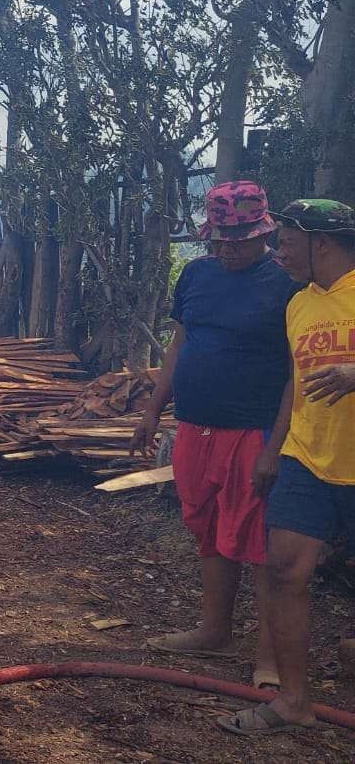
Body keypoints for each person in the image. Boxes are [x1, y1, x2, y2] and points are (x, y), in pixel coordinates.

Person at [131, 181, 297, 691]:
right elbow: (180, 343)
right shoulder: (198, 275)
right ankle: (213, 629)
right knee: (207, 529)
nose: (227, 248)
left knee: (260, 542)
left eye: (238, 240)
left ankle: (270, 656)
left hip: (254, 429)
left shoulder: (286, 284)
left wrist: (274, 447)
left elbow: (296, 371)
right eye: (220, 240)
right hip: (196, 427)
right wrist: (154, 407)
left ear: (263, 233)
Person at [219, 198, 355, 736]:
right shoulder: (300, 304)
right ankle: (293, 701)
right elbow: (296, 382)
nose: (279, 253)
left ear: (320, 242)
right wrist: (275, 448)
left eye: (288, 242)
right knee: (283, 570)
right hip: (308, 456)